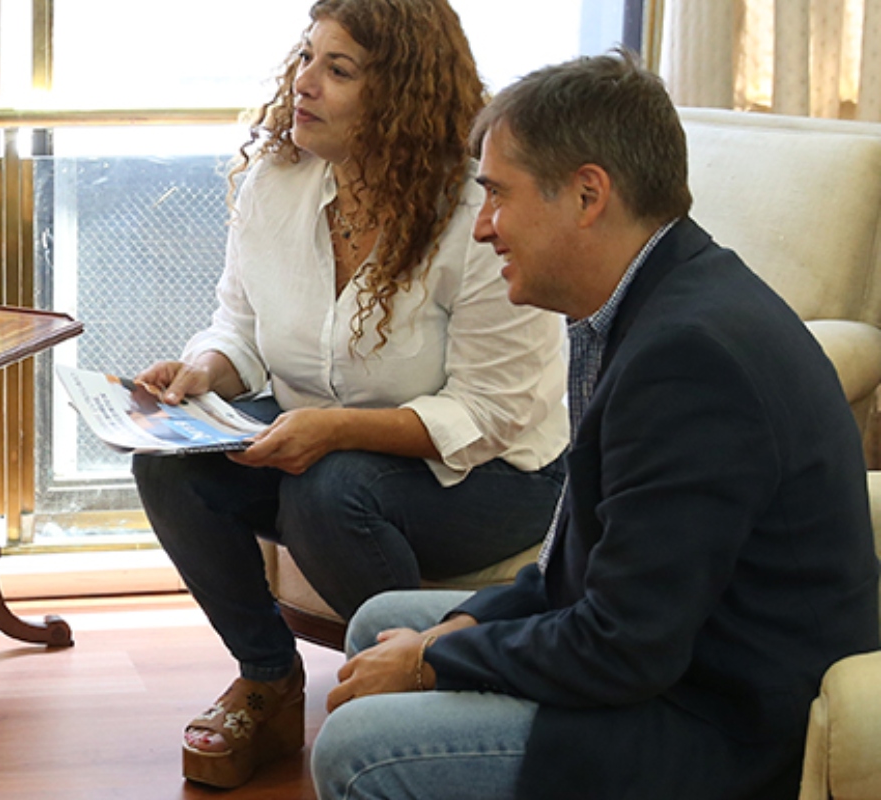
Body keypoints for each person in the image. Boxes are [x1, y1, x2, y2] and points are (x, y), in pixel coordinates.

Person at [313, 52, 881, 800]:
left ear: (587, 195)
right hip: (675, 658)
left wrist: (431, 661)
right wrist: (455, 635)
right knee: (379, 625)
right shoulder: (649, 303)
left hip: (719, 721)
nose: (482, 228)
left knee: (357, 751)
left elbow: (624, 646)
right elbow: (575, 567)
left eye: (497, 195)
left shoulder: (689, 362)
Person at [128, 0, 569, 789]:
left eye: (338, 70)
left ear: (402, 95)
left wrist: (332, 430)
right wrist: (204, 372)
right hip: (324, 444)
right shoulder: (277, 180)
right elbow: (240, 325)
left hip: (498, 475)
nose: (304, 83)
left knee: (327, 489)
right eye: (307, 58)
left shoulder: (477, 212)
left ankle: (426, 688)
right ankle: (268, 680)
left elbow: (491, 413)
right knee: (169, 461)